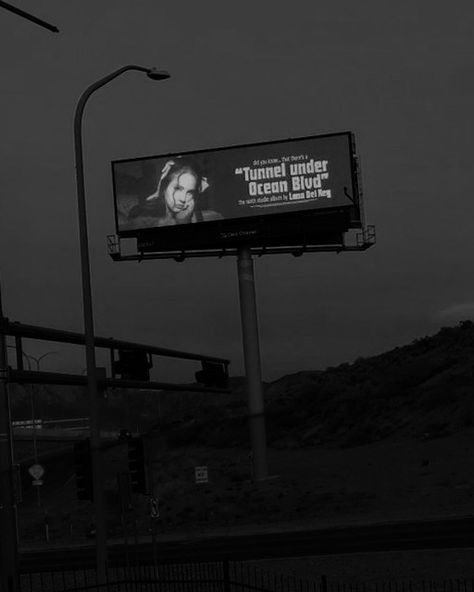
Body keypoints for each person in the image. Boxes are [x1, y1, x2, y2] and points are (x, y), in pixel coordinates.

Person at [127, 157, 222, 228]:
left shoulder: (213, 217)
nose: (183, 199)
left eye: (189, 192)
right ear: (164, 188)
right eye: (177, 188)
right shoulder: (140, 220)